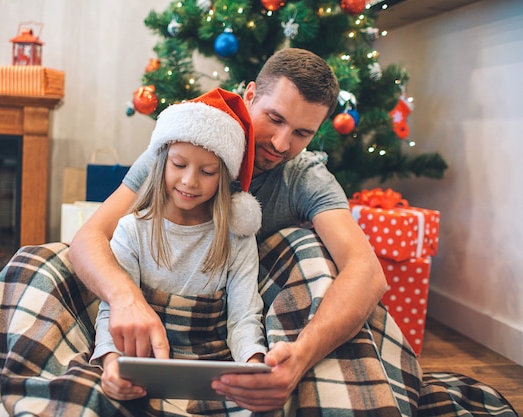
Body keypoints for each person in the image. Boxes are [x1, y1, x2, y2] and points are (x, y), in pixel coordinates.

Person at [69, 47, 388, 412]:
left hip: (243, 307)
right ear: (250, 95)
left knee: (311, 252)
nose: (282, 144)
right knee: (41, 261)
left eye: (302, 133)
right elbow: (89, 237)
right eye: (274, 118)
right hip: (152, 291)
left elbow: (366, 272)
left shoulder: (306, 178)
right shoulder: (185, 141)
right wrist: (126, 299)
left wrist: (299, 357)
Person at [91, 88, 268, 401]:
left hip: (213, 367)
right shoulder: (132, 230)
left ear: (224, 176)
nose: (189, 181)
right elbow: (111, 314)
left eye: (207, 171)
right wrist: (111, 365)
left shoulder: (236, 236)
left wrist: (253, 366)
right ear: (161, 163)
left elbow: (244, 317)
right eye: (179, 164)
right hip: (142, 370)